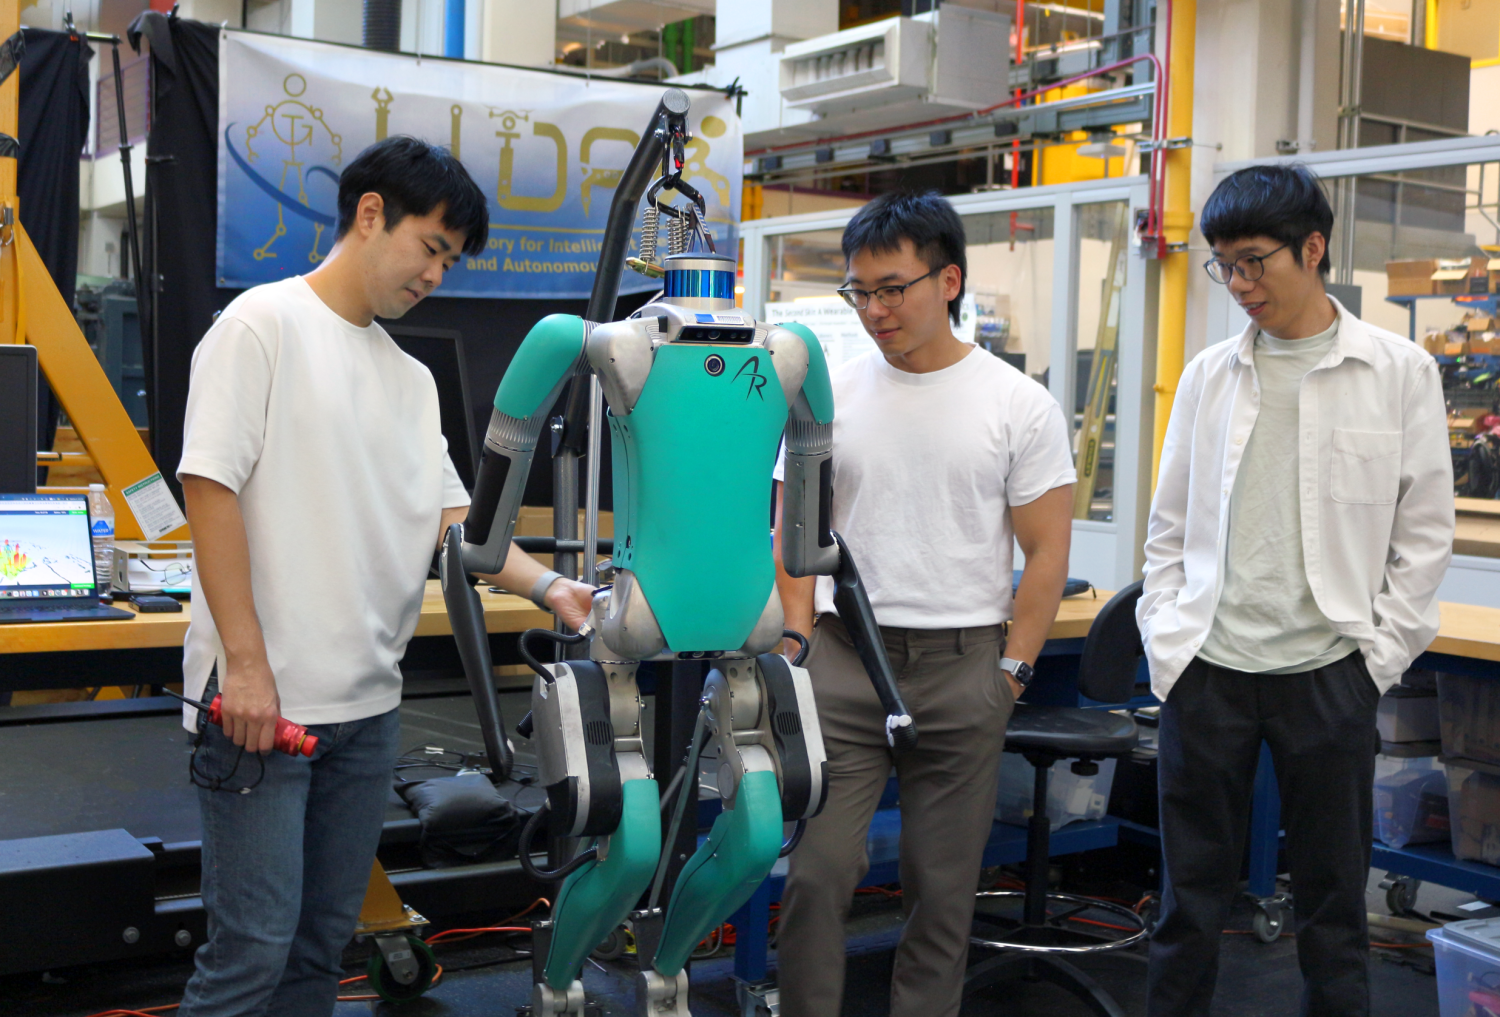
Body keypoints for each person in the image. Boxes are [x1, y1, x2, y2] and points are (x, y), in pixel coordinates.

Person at [175, 136, 594, 1017]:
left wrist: (550, 587)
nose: (437, 274)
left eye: (450, 259)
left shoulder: (409, 381)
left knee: (319, 948)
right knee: (250, 953)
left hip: (366, 713)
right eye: (431, 248)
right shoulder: (260, 326)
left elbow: (455, 525)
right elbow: (208, 490)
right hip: (263, 710)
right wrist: (244, 666)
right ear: (371, 215)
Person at [1139, 164, 1454, 1017]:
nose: (1238, 284)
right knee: (1187, 903)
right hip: (1209, 669)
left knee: (1333, 902)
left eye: (1253, 262)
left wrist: (1372, 664)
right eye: (1224, 266)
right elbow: (1168, 526)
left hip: (1329, 673)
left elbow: (1424, 536)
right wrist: (1170, 643)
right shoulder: (1210, 376)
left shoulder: (1397, 371)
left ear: (1312, 249)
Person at [772, 190, 1077, 1017]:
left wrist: (1011, 671)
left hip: (963, 666)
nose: (874, 310)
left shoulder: (1017, 403)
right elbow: (794, 531)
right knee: (817, 873)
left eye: (892, 288)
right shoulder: (826, 397)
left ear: (949, 281)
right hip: (843, 661)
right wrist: (796, 642)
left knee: (941, 895)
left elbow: (1047, 549)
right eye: (859, 291)